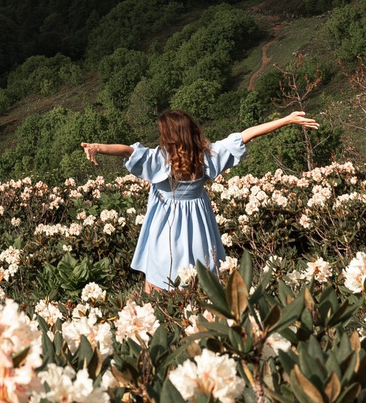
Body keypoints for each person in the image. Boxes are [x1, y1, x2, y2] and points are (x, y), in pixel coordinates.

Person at [81, 107, 320, 291]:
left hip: (165, 223)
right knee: (201, 268)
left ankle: (158, 316)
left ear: (169, 136)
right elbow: (246, 135)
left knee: (159, 269)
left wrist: (98, 147)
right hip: (198, 223)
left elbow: (127, 151)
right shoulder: (206, 156)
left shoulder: (159, 159)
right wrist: (286, 119)